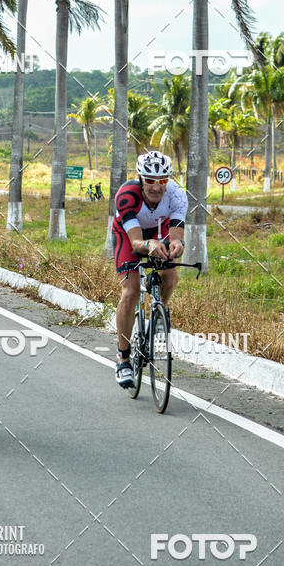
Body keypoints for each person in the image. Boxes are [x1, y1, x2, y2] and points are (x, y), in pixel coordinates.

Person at [112, 151, 187, 389]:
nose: (156, 187)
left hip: (158, 230)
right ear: (140, 179)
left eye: (162, 180)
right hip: (129, 235)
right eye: (150, 181)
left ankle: (159, 311)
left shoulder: (177, 195)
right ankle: (123, 358)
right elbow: (136, 243)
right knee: (131, 292)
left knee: (170, 274)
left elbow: (176, 236)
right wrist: (149, 245)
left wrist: (177, 245)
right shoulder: (127, 195)